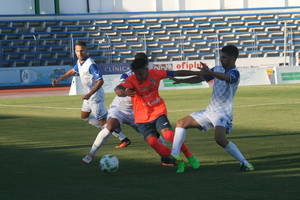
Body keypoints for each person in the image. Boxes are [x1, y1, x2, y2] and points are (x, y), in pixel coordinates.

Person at [170, 45, 255, 173]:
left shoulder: (234, 73)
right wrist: (182, 81)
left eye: (224, 57)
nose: (221, 59)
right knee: (181, 123)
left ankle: (245, 163)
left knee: (220, 140)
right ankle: (175, 155)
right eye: (221, 57)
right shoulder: (217, 69)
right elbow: (200, 77)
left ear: (233, 58)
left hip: (223, 114)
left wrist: (210, 72)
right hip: (209, 111)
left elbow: (226, 78)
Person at [121, 53, 200, 168]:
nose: (139, 76)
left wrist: (195, 72)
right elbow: (119, 89)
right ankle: (178, 160)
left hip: (158, 111)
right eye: (137, 74)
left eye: (141, 73)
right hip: (141, 118)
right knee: (152, 142)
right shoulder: (131, 80)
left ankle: (190, 156)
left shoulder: (155, 73)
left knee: (168, 135)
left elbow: (176, 73)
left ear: (146, 69)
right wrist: (124, 92)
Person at [52, 41, 130, 148]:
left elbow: (100, 81)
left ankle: (123, 138)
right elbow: (72, 71)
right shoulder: (79, 62)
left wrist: (89, 94)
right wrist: (59, 79)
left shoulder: (90, 64)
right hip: (89, 95)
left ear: (86, 50)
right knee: (84, 117)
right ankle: (111, 123)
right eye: (77, 51)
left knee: (102, 122)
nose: (80, 53)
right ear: (75, 51)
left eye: (82, 50)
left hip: (95, 96)